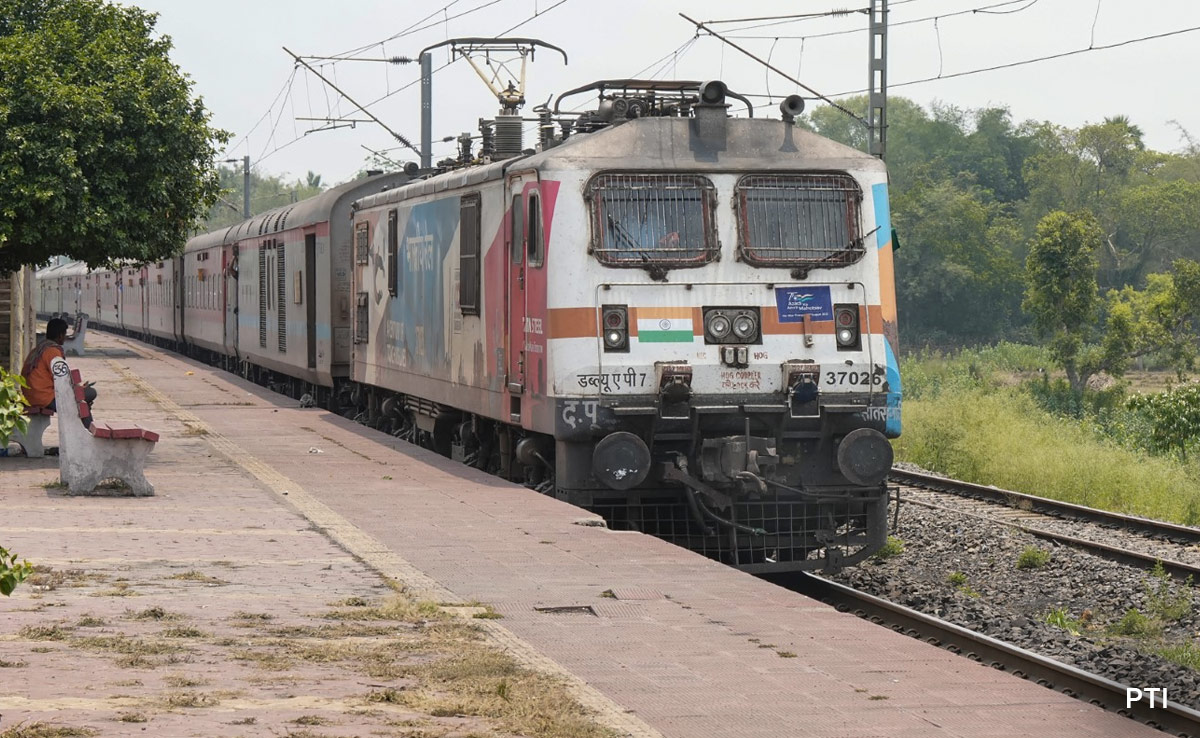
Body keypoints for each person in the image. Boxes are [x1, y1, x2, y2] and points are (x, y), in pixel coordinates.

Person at [21, 317, 96, 426]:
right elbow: (62, 381)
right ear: (60, 335)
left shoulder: (39, 349)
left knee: (82, 399)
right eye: (64, 334)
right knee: (90, 393)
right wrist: (79, 389)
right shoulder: (53, 352)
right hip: (44, 398)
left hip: (31, 396)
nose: (65, 338)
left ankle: (86, 430)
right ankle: (87, 431)